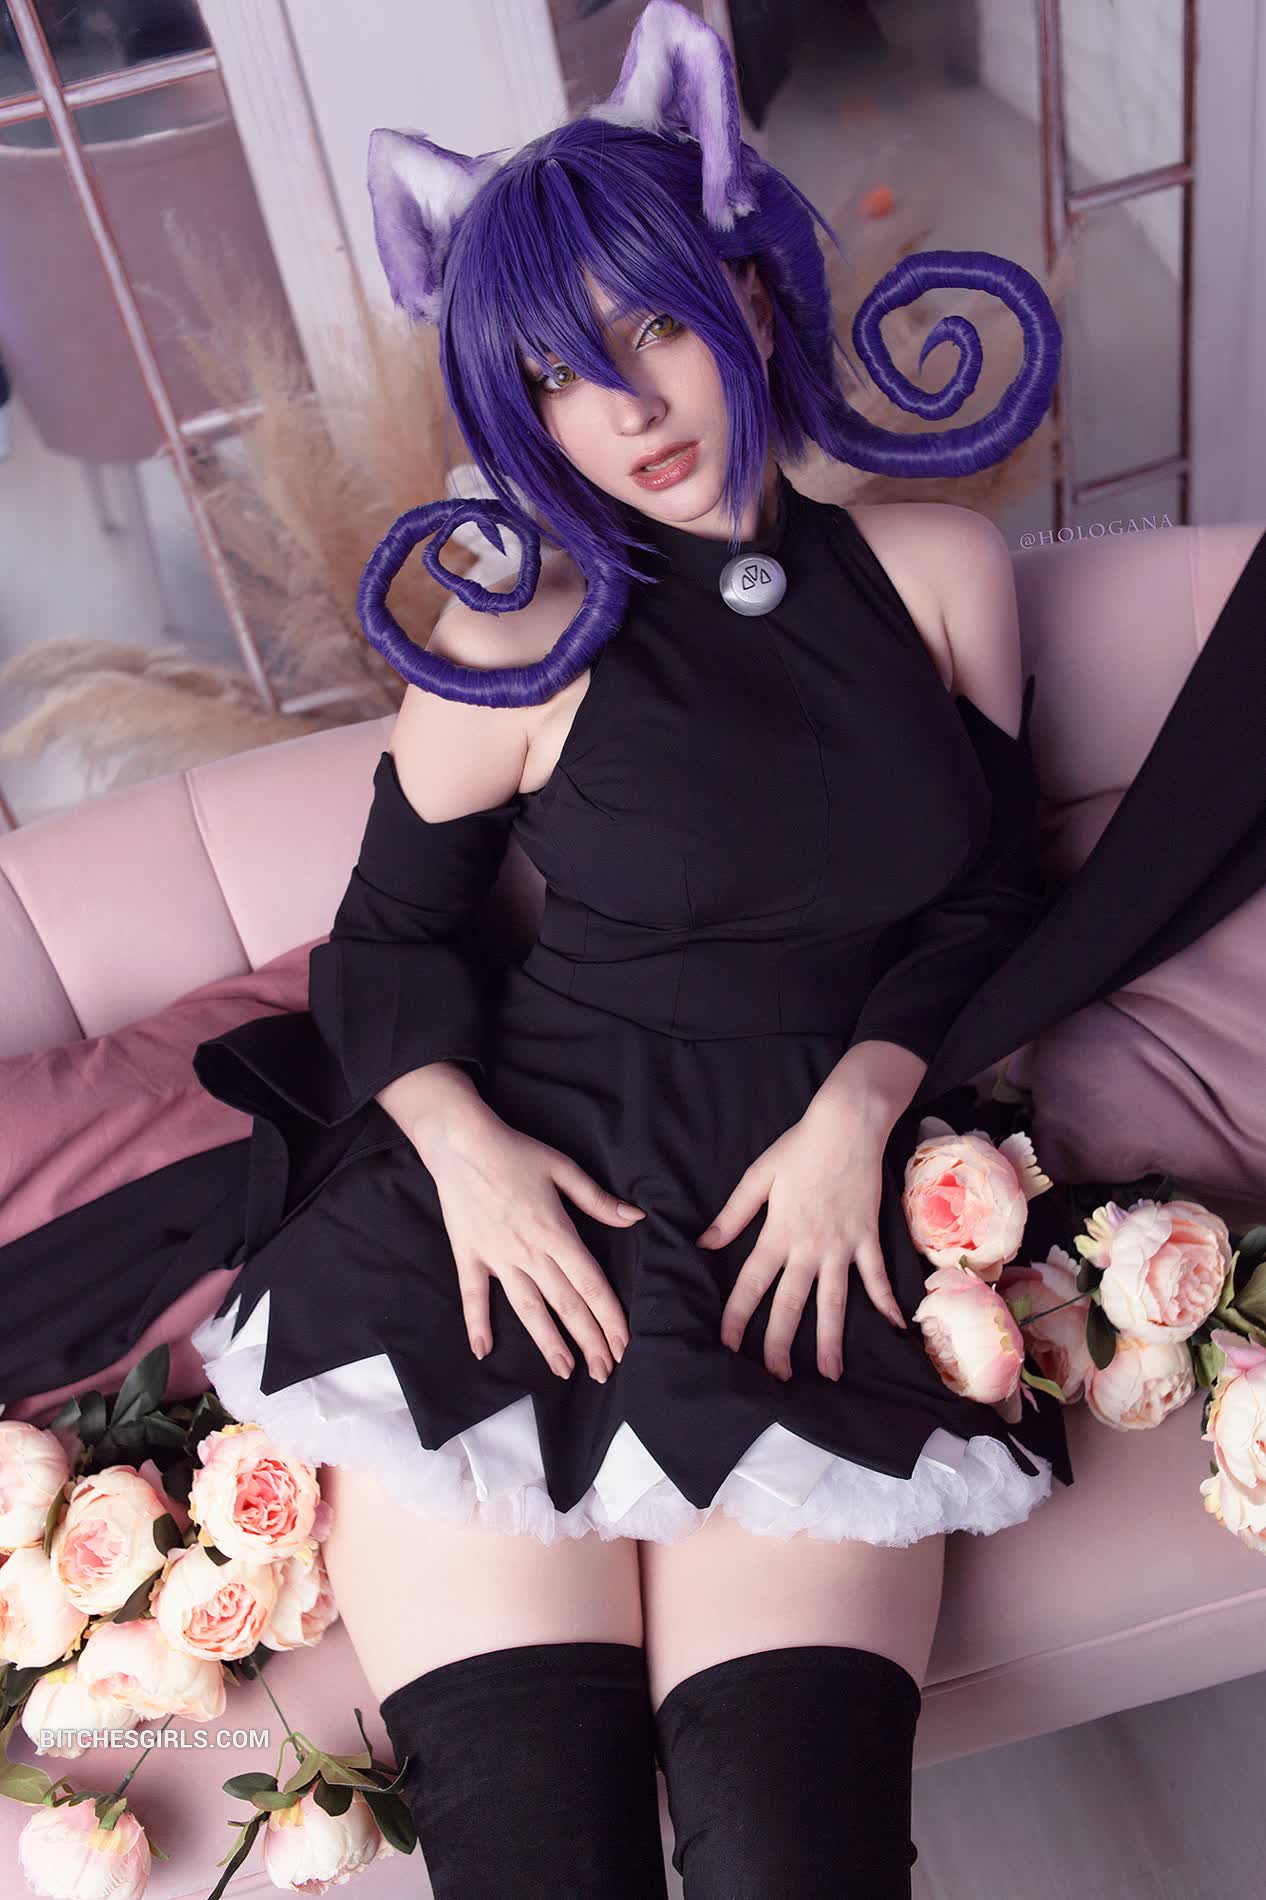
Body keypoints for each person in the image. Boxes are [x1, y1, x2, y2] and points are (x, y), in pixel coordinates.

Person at [4, 2, 1257, 1893]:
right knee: (539, 1858)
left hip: (799, 1248)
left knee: (796, 1852)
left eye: (652, 327)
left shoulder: (932, 573)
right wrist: (464, 1153)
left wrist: (861, 1107)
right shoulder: (518, 631)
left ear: (746, 291)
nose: (630, 410)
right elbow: (387, 939)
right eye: (559, 374)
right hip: (497, 1244)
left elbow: (978, 898)